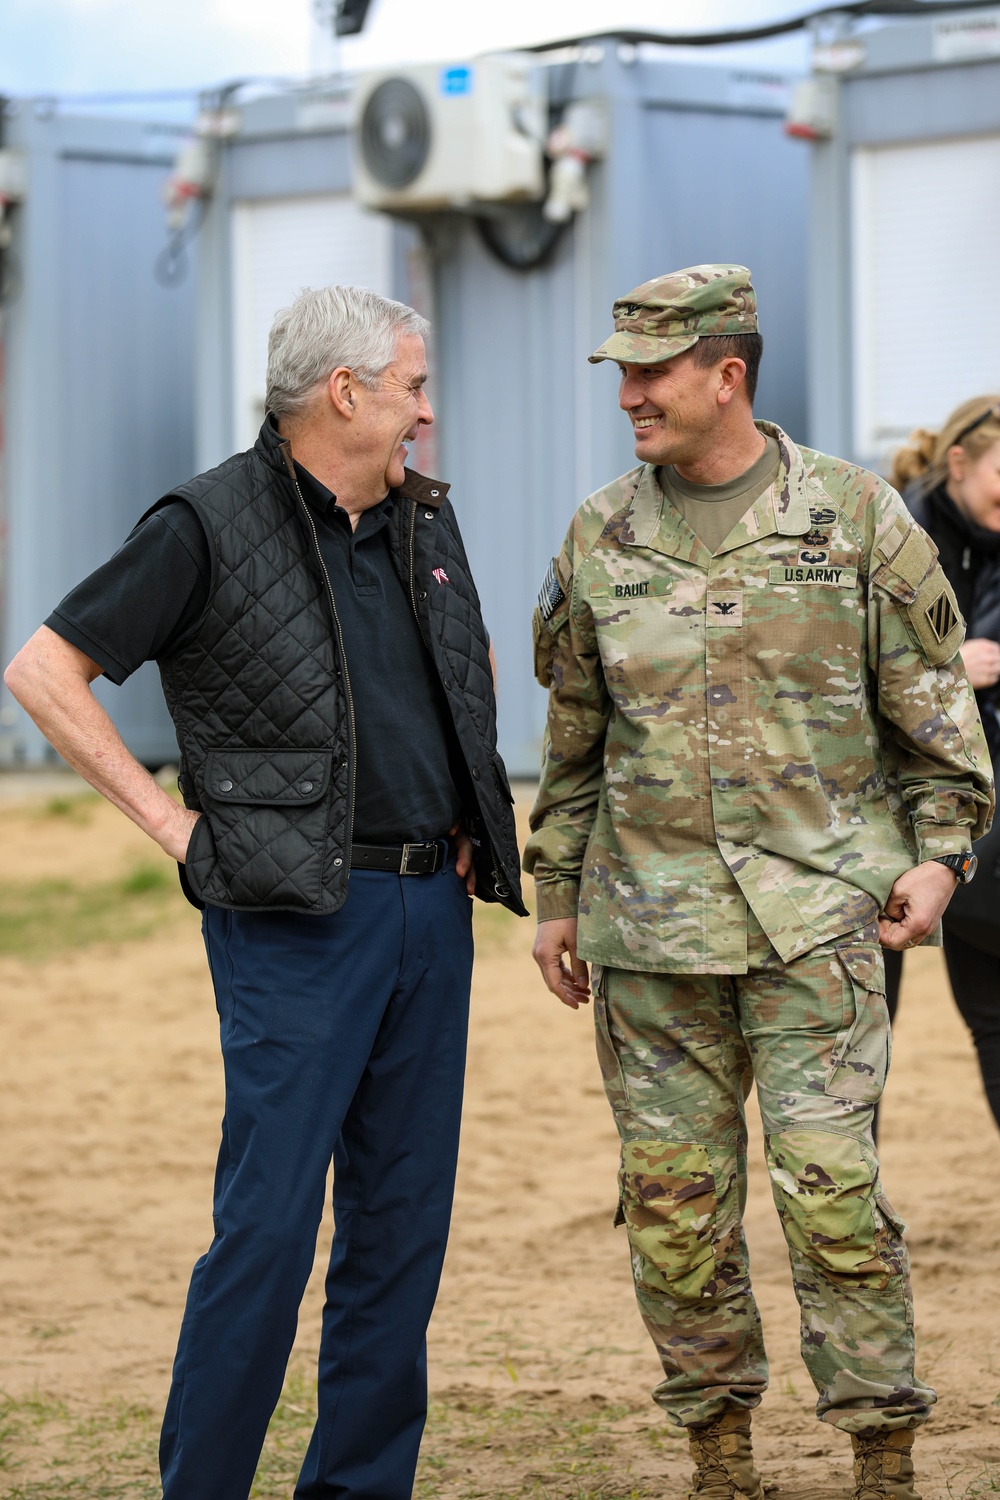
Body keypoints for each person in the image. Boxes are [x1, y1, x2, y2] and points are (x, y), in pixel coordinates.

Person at [4, 284, 525, 1500]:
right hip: (293, 923)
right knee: (270, 1231)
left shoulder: (420, 519)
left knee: (399, 1234)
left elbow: (453, 671)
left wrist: (461, 801)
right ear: (344, 393)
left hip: (427, 911)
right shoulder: (204, 522)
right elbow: (43, 671)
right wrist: (177, 830)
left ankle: (357, 1487)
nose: (425, 411)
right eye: (411, 386)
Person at [524, 265, 992, 1500]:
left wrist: (941, 857)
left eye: (650, 372)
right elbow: (575, 733)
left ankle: (879, 1455)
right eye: (621, 372)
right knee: (674, 1213)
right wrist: (554, 891)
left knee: (833, 1199)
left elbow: (935, 717)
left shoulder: (855, 518)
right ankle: (717, 1455)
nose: (627, 394)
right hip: (647, 934)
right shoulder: (599, 533)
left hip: (818, 924)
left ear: (726, 374)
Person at [879, 397, 1000, 1132]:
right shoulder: (891, 539)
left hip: (980, 819)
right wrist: (954, 669)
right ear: (958, 464)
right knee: (862, 1025)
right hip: (879, 810)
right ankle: (842, 1200)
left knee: (992, 1012)